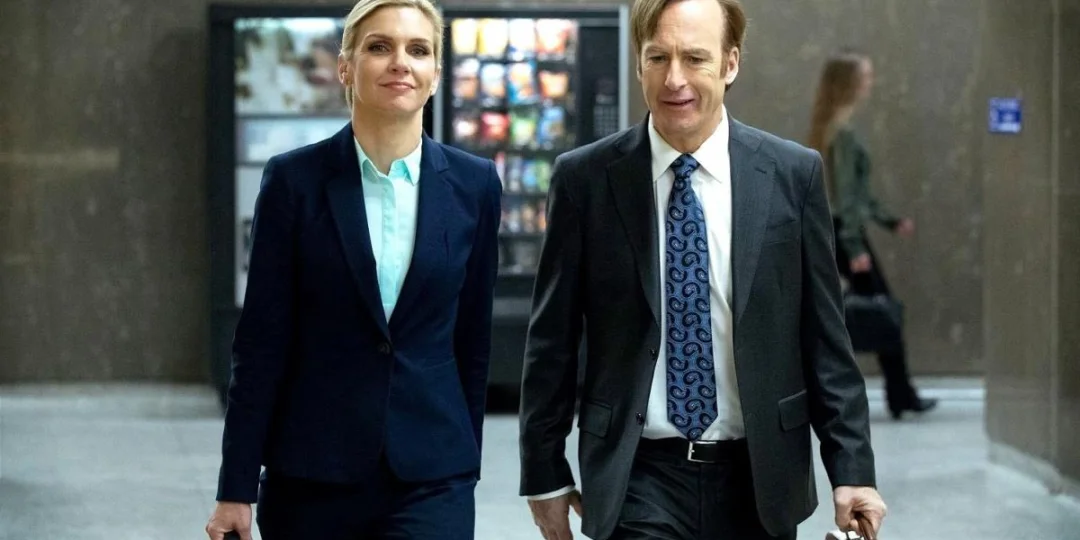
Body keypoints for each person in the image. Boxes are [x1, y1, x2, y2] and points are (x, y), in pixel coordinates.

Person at [518, 0, 887, 539]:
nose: (675, 79)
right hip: (637, 473)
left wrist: (851, 470)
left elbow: (826, 339)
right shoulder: (585, 180)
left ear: (730, 63)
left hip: (760, 476)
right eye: (658, 58)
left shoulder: (792, 175)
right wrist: (544, 472)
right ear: (639, 63)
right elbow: (551, 340)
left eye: (694, 58)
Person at [205, 0, 501, 538]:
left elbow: (472, 339)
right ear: (345, 67)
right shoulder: (294, 181)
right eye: (379, 47)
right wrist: (236, 486)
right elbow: (261, 342)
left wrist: (465, 460)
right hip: (313, 472)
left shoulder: (475, 185)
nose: (401, 62)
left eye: (419, 50)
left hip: (431, 478)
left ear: (436, 74)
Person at [807, 49, 938, 420]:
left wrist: (889, 221)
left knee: (875, 311)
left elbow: (856, 195)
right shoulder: (842, 133)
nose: (870, 83)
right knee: (883, 311)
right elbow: (847, 197)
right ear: (849, 83)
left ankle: (901, 392)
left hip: (840, 232)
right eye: (865, 77)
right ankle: (901, 394)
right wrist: (854, 247)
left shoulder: (830, 128)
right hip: (846, 235)